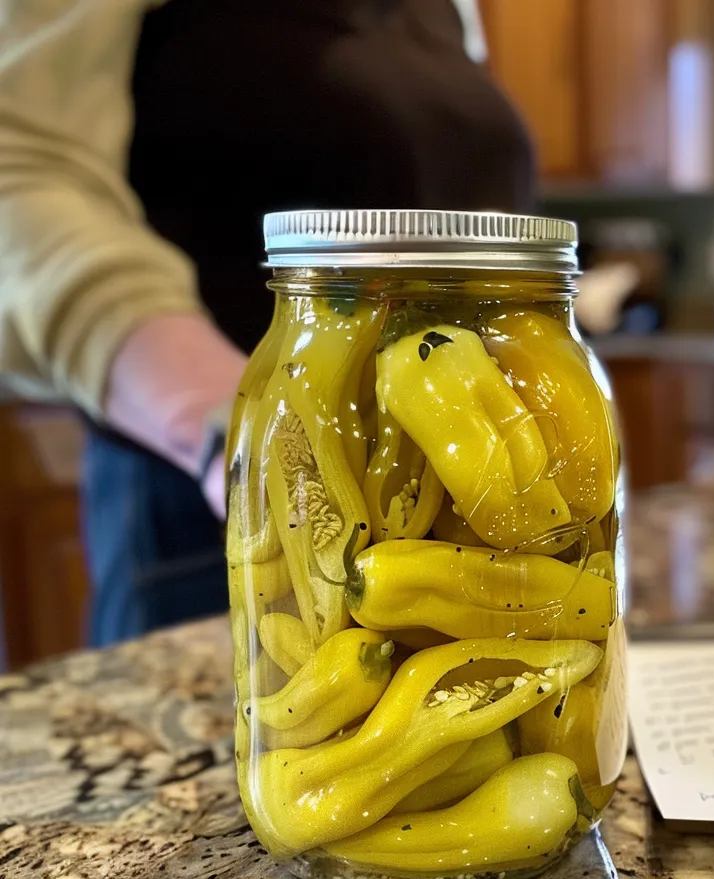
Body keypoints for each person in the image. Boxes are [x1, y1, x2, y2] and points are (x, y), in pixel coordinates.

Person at [0, 0, 535, 645]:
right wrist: (235, 432)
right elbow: (20, 176)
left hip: (453, 498)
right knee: (262, 735)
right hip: (229, 508)